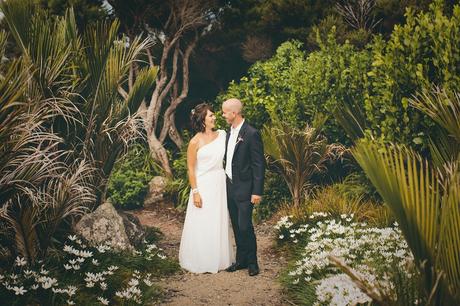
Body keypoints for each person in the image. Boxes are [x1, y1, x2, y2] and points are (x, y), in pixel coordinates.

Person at [178, 103, 235, 273]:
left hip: (219, 182)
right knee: (203, 220)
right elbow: (190, 168)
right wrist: (195, 192)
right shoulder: (194, 142)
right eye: (211, 115)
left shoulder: (223, 135)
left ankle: (220, 258)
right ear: (202, 120)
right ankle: (201, 258)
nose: (214, 117)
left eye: (213, 115)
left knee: (218, 218)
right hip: (203, 185)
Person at [222, 98, 265, 276]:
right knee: (236, 226)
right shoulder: (228, 133)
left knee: (245, 225)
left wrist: (257, 191)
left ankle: (253, 262)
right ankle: (241, 260)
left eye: (225, 112)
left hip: (246, 189)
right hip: (230, 187)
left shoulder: (251, 133)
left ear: (234, 113)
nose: (223, 115)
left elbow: (258, 164)